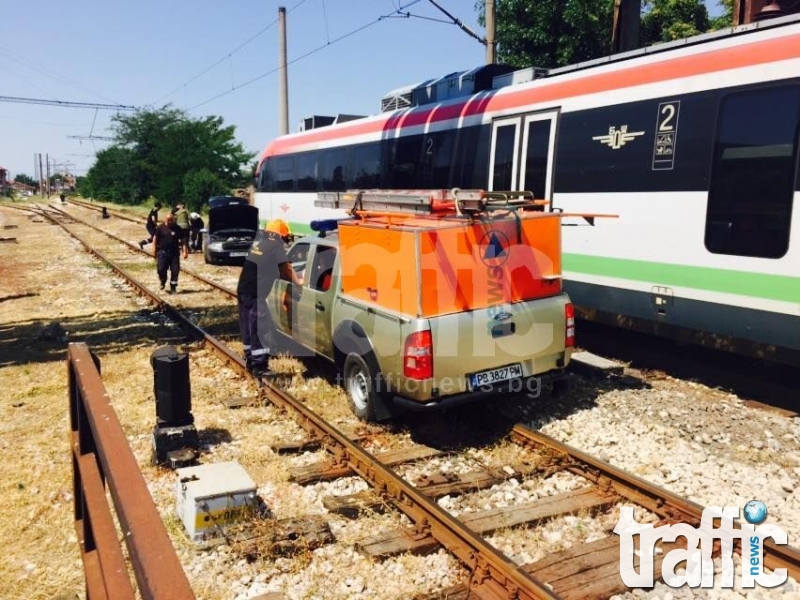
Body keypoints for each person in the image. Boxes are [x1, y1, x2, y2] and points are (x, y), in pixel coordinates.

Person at [236, 219, 300, 378]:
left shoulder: (260, 244)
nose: (285, 242)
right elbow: (286, 269)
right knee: (260, 327)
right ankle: (260, 366)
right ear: (281, 236)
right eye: (286, 238)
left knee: (248, 326)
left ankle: (250, 359)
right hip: (255, 292)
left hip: (244, 290)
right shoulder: (275, 246)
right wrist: (298, 283)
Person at [153, 212, 181, 293]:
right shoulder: (160, 228)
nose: (170, 222)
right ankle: (163, 281)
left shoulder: (177, 228)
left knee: (175, 270)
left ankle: (173, 287)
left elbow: (183, 239)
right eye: (168, 220)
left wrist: (185, 250)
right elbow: (155, 239)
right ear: (165, 220)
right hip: (162, 252)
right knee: (161, 269)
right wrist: (154, 250)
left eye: (171, 220)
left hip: (174, 253)